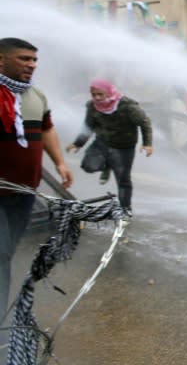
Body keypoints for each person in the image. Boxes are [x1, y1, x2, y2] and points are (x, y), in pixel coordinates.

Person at [0, 37, 73, 357]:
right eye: (24, 59)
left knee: (7, 253)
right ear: (1, 60)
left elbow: (46, 130)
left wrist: (59, 162)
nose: (32, 65)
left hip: (24, 194)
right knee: (0, 256)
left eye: (34, 60)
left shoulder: (35, 96)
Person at [66, 79, 152, 217]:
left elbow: (144, 123)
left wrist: (147, 143)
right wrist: (78, 143)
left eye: (100, 94)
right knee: (88, 166)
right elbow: (88, 126)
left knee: (123, 179)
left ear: (109, 92)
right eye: (94, 95)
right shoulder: (92, 106)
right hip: (102, 142)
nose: (97, 98)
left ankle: (125, 209)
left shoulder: (128, 106)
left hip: (124, 147)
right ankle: (107, 166)